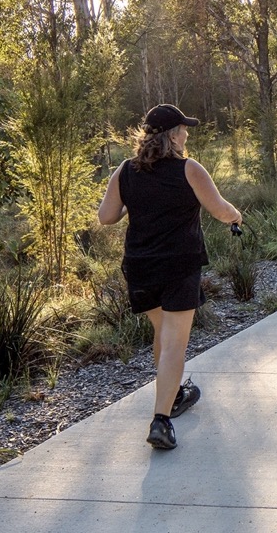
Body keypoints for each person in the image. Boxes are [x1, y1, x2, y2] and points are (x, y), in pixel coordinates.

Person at [97, 102, 242, 451]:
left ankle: (174, 395)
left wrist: (139, 200)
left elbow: (106, 216)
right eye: (183, 128)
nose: (187, 133)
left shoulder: (125, 171)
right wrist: (237, 216)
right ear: (173, 135)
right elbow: (221, 211)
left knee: (163, 332)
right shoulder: (189, 169)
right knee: (175, 340)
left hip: (140, 266)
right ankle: (161, 421)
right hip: (179, 264)